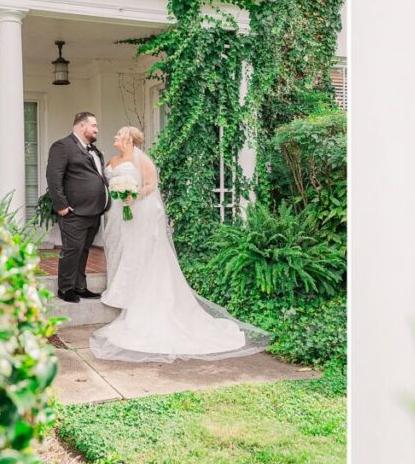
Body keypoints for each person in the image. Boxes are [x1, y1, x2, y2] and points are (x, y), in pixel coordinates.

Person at [88, 126, 270, 362]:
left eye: (118, 135)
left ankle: (140, 300)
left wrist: (134, 195)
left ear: (128, 139)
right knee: (124, 252)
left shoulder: (142, 159)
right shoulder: (114, 159)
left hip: (140, 212)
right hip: (118, 215)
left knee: (141, 255)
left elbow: (151, 185)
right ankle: (122, 293)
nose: (114, 138)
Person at [45, 111, 110, 304]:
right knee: (72, 250)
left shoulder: (94, 150)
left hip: (94, 211)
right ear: (82, 126)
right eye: (94, 126)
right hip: (74, 211)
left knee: (84, 250)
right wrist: (62, 206)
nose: (97, 129)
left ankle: (80, 287)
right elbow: (53, 177)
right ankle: (65, 289)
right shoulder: (62, 146)